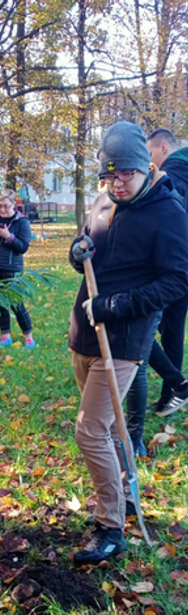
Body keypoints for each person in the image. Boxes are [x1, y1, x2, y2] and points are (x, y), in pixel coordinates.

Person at [67, 121, 188, 562]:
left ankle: (110, 526)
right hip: (83, 335)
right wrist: (77, 253)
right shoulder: (102, 203)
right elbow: (83, 248)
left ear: (146, 168)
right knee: (111, 430)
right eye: (108, 176)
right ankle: (124, 497)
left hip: (123, 340)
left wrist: (116, 305)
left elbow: (176, 281)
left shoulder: (169, 212)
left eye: (125, 176)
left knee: (90, 431)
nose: (116, 185)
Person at [144, 128, 188, 418]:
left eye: (149, 154)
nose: (149, 161)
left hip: (174, 267)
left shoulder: (174, 172)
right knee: (168, 329)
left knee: (158, 329)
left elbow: (171, 209)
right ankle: (172, 392)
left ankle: (176, 389)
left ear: (163, 147)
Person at [0, 188, 35, 349]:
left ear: (14, 204)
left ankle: (29, 337)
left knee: (16, 304)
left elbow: (23, 246)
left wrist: (7, 236)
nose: (2, 210)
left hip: (12, 269)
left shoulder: (22, 222)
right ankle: (6, 336)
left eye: (5, 206)